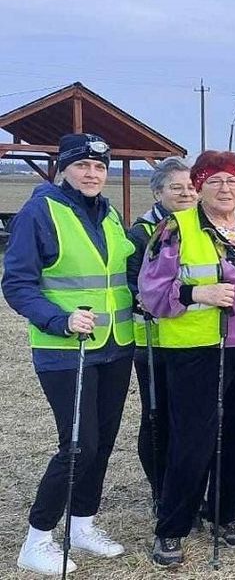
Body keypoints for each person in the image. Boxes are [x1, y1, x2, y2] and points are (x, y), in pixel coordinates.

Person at [140, 150, 235, 567]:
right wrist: (196, 293)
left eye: (233, 181)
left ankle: (225, 514)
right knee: (193, 441)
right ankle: (172, 528)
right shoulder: (176, 228)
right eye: (215, 181)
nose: (225, 188)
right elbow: (151, 293)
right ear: (199, 186)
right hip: (197, 351)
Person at [5, 134, 134, 575]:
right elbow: (17, 283)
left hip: (115, 344)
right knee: (79, 445)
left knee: (102, 444)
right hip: (65, 349)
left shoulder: (109, 213)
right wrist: (59, 320)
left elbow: (120, 273)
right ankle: (37, 539)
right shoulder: (40, 212)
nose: (92, 174)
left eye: (99, 167)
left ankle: (82, 525)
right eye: (82, 166)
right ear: (64, 168)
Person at [126, 157, 198, 510]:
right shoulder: (141, 234)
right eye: (176, 187)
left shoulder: (203, 229)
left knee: (193, 418)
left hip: (197, 340)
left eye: (191, 187)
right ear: (158, 193)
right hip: (154, 343)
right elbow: (130, 285)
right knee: (158, 417)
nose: (186, 193)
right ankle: (161, 490)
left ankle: (191, 488)